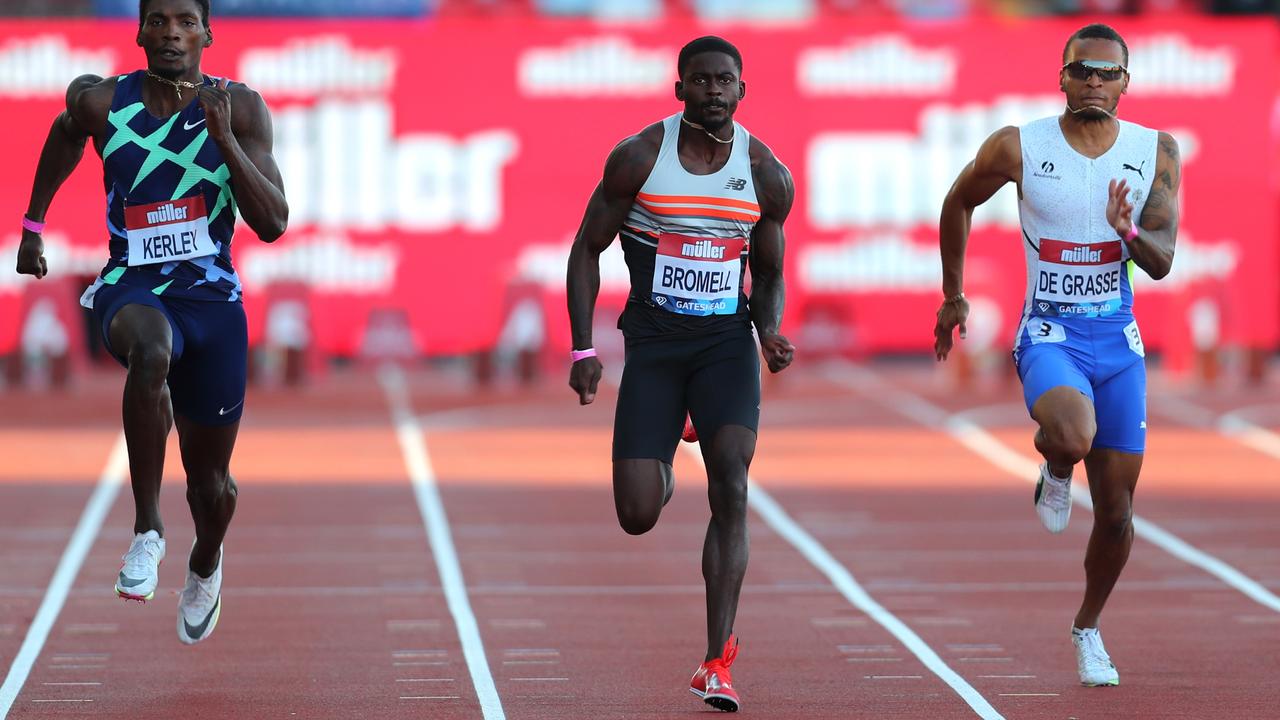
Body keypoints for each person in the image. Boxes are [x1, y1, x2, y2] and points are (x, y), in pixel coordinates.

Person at [15, 0, 288, 644]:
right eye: (159, 20)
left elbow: (273, 223)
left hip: (212, 298)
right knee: (151, 352)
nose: (171, 33)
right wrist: (32, 225)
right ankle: (146, 531)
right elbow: (62, 137)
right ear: (139, 31)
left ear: (207, 32)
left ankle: (204, 558)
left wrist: (223, 140)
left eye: (186, 21)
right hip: (132, 284)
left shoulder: (240, 109)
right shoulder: (101, 102)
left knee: (212, 487)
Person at [933, 23, 1180, 686]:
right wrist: (953, 294)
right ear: (1062, 76)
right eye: (1083, 71)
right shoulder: (1021, 145)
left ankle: (1088, 629)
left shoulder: (1156, 150)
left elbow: (1160, 262)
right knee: (1072, 432)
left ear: (1126, 83)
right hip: (1050, 333)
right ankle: (1057, 461)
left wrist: (1125, 229)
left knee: (1120, 513)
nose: (1094, 82)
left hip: (1118, 340)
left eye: (1107, 73)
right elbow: (957, 200)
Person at [566, 35, 794, 712]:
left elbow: (771, 272)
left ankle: (715, 660)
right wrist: (584, 349)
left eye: (726, 81)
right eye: (701, 81)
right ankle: (665, 460)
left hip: (725, 345)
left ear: (742, 91)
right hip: (657, 348)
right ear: (680, 90)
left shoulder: (764, 171)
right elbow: (587, 250)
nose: (715, 91)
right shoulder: (640, 156)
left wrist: (769, 330)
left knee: (731, 478)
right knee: (637, 513)